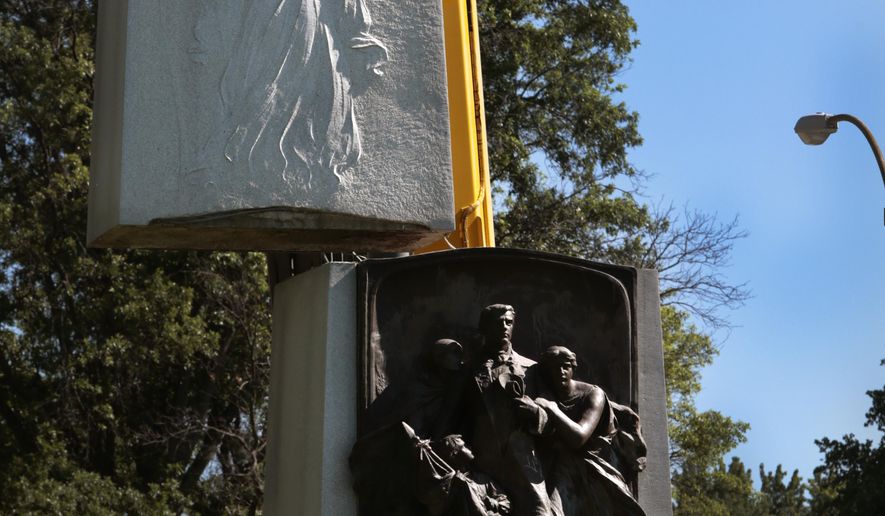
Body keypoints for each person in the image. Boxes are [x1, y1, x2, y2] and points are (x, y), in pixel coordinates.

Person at [533, 346, 646, 516]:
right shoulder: (546, 392)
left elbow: (579, 437)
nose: (561, 372)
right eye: (554, 367)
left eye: (566, 366)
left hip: (597, 469)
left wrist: (552, 409)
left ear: (574, 368)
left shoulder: (593, 394)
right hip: (563, 466)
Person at [462, 304, 553, 516]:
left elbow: (552, 418)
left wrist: (537, 414)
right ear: (484, 328)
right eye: (498, 322)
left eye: (508, 322)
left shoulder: (532, 369)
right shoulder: (468, 370)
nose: (504, 327)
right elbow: (452, 415)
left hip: (524, 461)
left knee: (541, 512)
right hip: (483, 460)